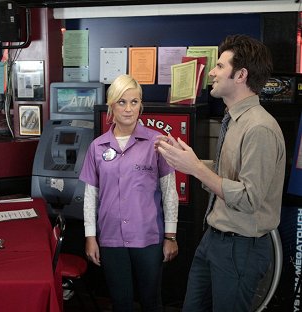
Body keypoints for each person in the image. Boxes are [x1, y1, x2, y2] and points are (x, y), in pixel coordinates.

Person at [155, 34, 286, 312]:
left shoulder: (259, 128)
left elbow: (250, 198)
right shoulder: (234, 118)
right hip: (214, 238)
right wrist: (185, 160)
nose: (212, 72)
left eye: (220, 66)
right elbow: (228, 174)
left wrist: (195, 168)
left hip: (241, 248)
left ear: (241, 75)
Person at [79, 74, 179, 312]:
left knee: (151, 302)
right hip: (111, 238)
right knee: (120, 303)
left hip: (148, 238)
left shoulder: (157, 142)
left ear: (140, 105)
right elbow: (90, 196)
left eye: (134, 102)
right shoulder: (98, 147)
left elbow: (169, 192)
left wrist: (171, 236)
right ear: (111, 105)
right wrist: (90, 236)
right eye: (122, 102)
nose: (128, 109)